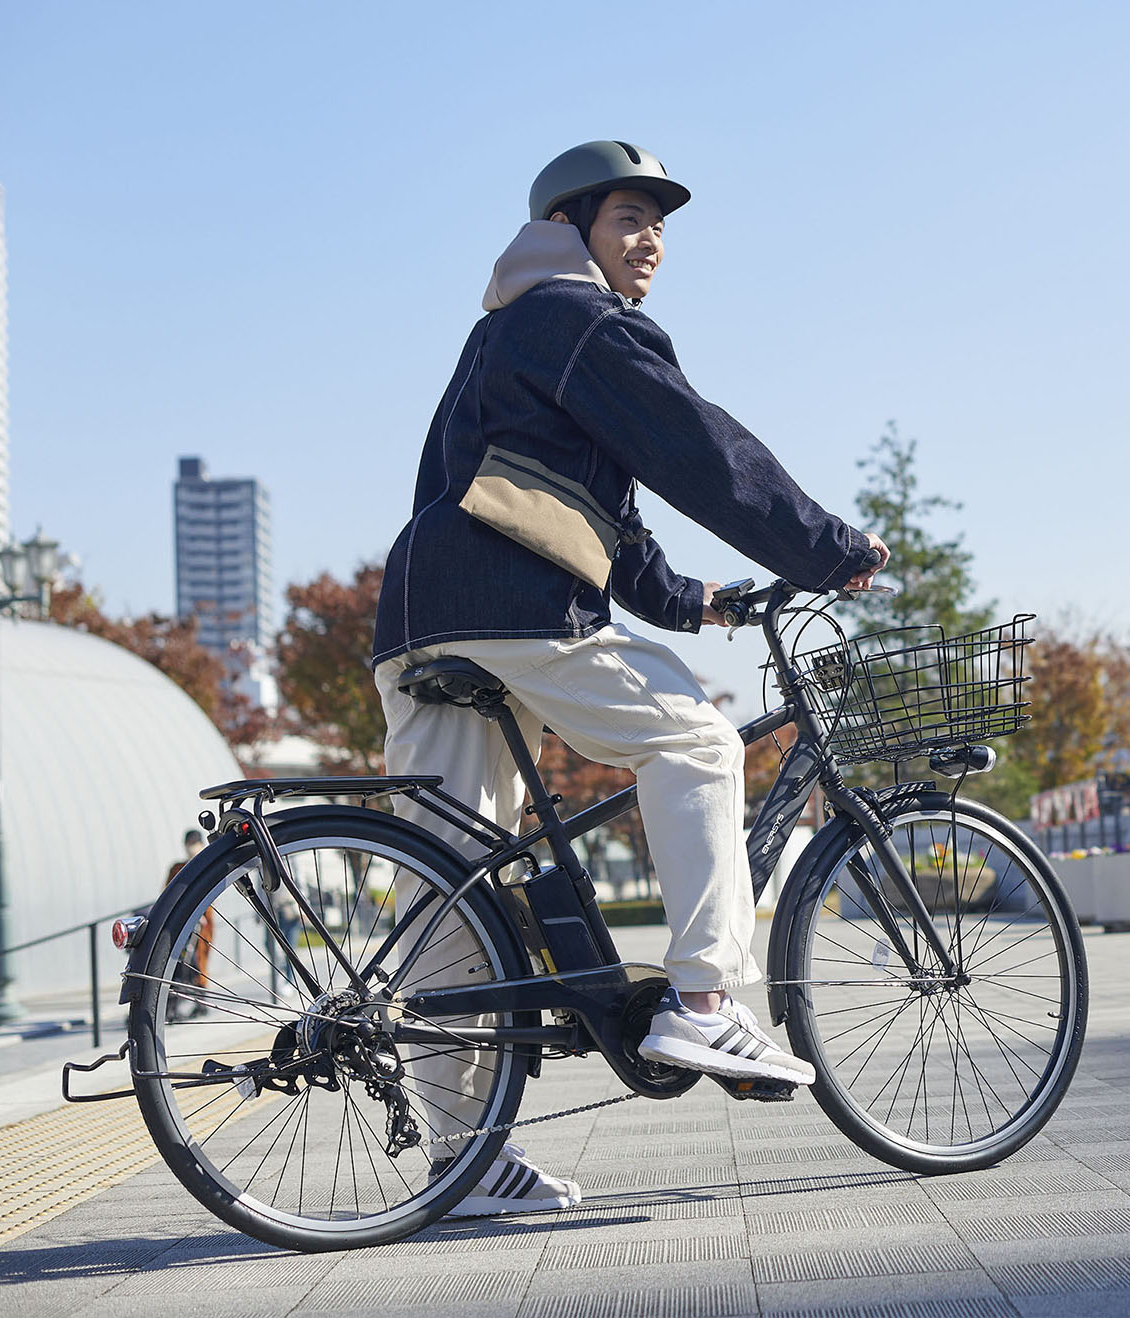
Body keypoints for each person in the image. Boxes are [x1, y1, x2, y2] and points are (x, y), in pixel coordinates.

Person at [370, 139, 887, 1217]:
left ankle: (461, 1162)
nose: (649, 238)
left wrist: (693, 600)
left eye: (659, 223)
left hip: (422, 620)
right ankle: (704, 996)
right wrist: (822, 548)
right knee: (696, 737)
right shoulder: (579, 319)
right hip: (511, 614)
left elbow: (583, 507)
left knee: (455, 881)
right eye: (627, 218)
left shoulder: (505, 332)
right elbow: (697, 450)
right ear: (568, 231)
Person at [164, 830, 213, 1021]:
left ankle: (201, 1003)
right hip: (183, 923)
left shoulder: (208, 865)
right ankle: (178, 1006)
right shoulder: (178, 868)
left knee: (198, 962)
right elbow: (166, 894)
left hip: (202, 924)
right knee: (182, 963)